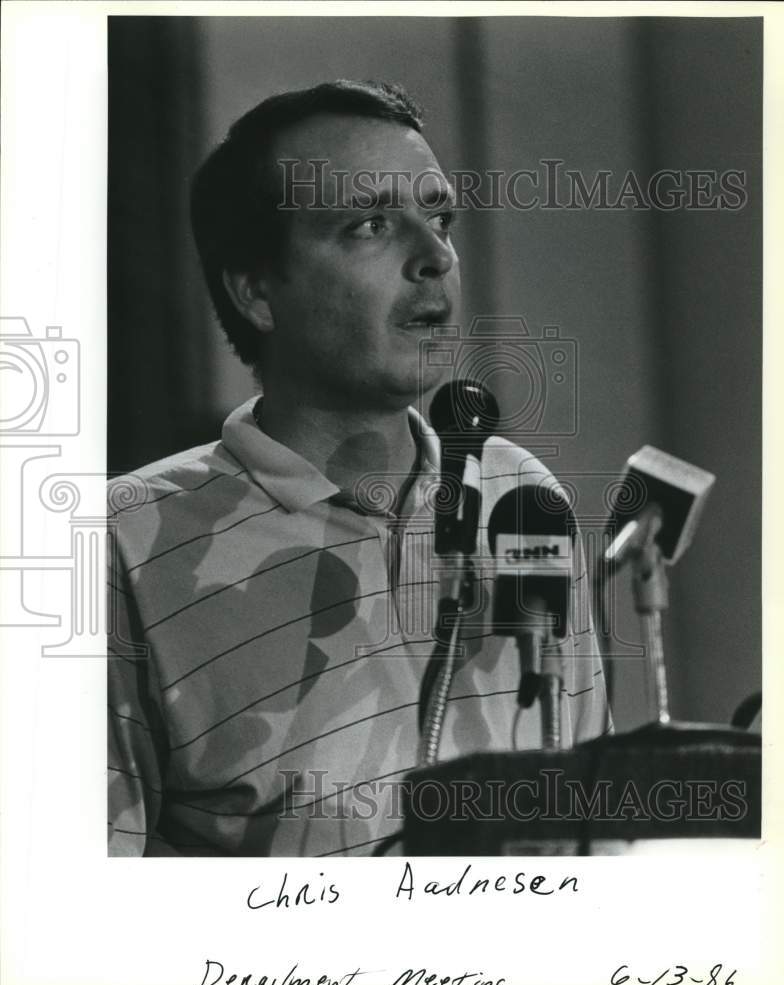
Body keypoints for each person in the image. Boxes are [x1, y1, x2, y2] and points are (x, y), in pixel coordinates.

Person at [107, 80, 610, 858]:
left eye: (438, 215)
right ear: (256, 292)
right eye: (372, 223)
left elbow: (592, 827)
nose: (436, 256)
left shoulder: (520, 498)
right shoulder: (125, 546)